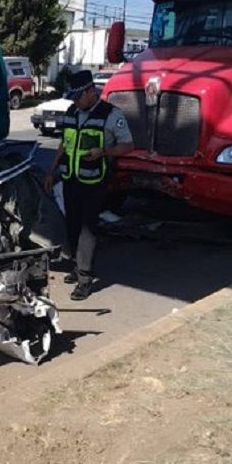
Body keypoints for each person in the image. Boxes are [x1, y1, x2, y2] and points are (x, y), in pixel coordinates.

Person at [43, 70, 134, 301]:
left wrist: (104, 152)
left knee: (87, 229)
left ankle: (85, 278)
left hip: (94, 182)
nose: (75, 101)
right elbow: (64, 144)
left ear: (91, 91)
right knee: (72, 225)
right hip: (71, 179)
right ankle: (77, 266)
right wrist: (52, 172)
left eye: (78, 96)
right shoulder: (72, 112)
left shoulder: (111, 115)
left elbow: (128, 145)